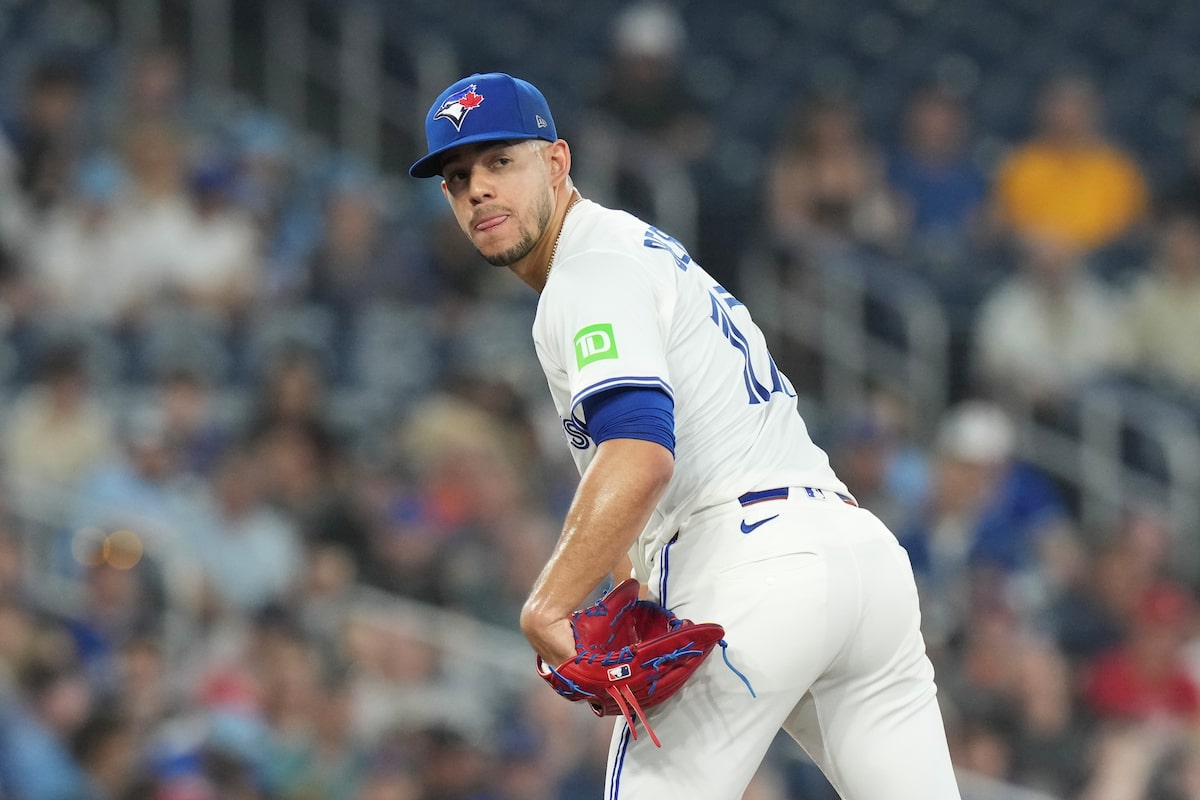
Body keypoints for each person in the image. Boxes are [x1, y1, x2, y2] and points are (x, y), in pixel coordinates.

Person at [408, 72, 960, 799]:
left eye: (499, 161)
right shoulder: (638, 249)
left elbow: (639, 455)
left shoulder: (589, 271)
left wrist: (548, 602)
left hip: (751, 564)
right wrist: (627, 583)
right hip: (859, 560)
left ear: (556, 162)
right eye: (457, 177)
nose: (476, 188)